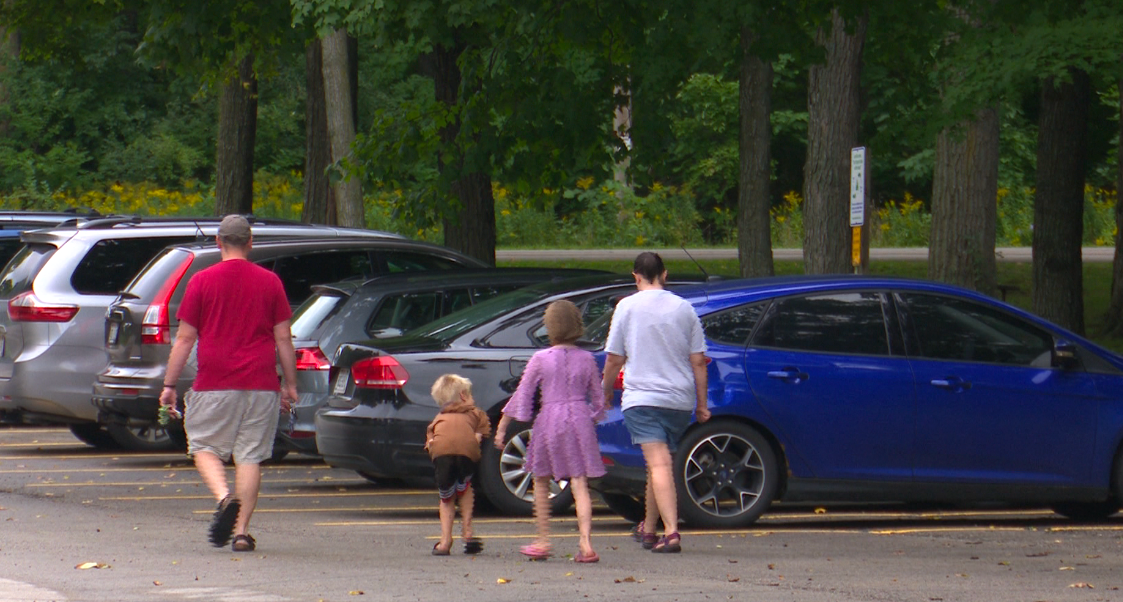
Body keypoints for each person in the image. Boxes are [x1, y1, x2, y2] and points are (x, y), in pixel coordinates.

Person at [158, 214, 298, 552]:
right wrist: (290, 384)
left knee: (204, 446)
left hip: (214, 381)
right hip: (261, 383)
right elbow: (283, 339)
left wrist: (169, 385)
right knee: (250, 456)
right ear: (250, 243)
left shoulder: (202, 281)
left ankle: (224, 498)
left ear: (219, 243)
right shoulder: (270, 282)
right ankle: (241, 532)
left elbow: (185, 339)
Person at [601, 251, 710, 554]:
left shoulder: (627, 307)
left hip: (643, 398)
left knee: (659, 463)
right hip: (679, 400)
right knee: (657, 465)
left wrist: (606, 391)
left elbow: (614, 358)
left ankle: (671, 532)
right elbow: (698, 361)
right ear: (665, 275)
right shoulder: (685, 308)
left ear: (635, 276)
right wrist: (701, 404)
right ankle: (648, 529)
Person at [495, 300, 606, 563]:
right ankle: (586, 543)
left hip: (550, 420)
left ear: (550, 327)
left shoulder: (540, 359)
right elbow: (598, 400)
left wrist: (502, 428)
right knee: (580, 482)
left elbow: (522, 394)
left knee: (542, 479)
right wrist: (590, 416)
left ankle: (543, 540)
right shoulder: (587, 359)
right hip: (579, 418)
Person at [426, 374, 491, 556]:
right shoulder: (476, 414)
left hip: (442, 453)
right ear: (463, 396)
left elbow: (431, 437)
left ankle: (445, 542)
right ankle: (468, 532)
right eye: (470, 395)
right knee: (465, 487)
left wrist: (432, 446)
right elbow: (481, 433)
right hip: (466, 453)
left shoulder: (438, 418)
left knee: (446, 498)